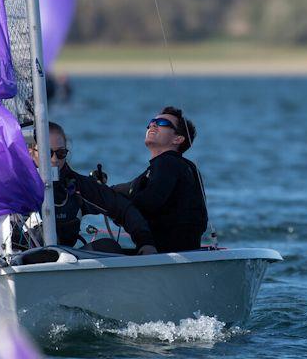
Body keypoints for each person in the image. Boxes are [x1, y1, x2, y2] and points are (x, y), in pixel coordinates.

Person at [32, 122, 157, 253]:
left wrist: (145, 242)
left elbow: (122, 207)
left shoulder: (75, 185)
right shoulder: (15, 186)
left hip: (64, 263)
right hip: (21, 262)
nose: (54, 159)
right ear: (30, 152)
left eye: (61, 153)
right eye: (47, 152)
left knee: (108, 247)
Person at [112, 106, 208, 253]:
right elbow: (130, 188)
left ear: (178, 139)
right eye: (151, 122)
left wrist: (116, 206)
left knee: (102, 247)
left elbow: (149, 202)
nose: (153, 125)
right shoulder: (181, 166)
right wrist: (104, 191)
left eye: (162, 123)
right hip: (183, 253)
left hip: (165, 255)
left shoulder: (167, 163)